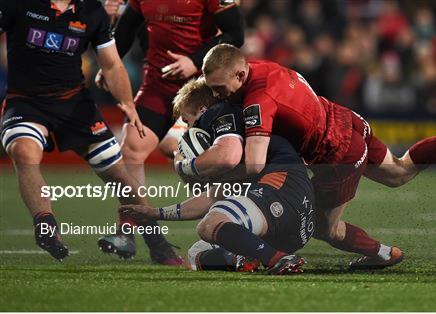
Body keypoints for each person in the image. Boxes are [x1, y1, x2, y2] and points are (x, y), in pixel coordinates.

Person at [201, 44, 436, 270]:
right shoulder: (258, 68)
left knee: (321, 227)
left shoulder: (258, 100)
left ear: (240, 76)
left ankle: (383, 254)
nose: (217, 95)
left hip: (335, 152)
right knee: (399, 172)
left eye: (219, 88)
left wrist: (211, 173)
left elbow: (256, 165)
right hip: (346, 119)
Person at [0, 0, 182, 264]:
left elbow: (111, 64)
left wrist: (128, 104)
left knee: (119, 175)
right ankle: (45, 225)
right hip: (25, 102)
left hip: (75, 105)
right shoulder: (19, 3)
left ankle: (158, 244)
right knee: (23, 151)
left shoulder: (91, 11)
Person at [95, 0, 245, 258]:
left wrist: (193, 60)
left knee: (206, 162)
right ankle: (129, 229)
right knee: (130, 151)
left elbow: (236, 34)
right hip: (159, 84)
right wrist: (110, 63)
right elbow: (127, 29)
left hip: (202, 87)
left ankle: (226, 226)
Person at [121, 79, 315, 275]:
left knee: (210, 224)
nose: (189, 129)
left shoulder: (219, 113)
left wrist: (187, 167)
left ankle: (278, 259)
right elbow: (211, 197)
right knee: (197, 253)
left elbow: (226, 157)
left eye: (188, 121)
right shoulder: (237, 130)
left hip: (282, 190)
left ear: (202, 109)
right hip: (292, 218)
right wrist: (156, 213)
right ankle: (247, 257)